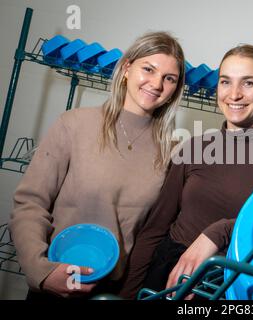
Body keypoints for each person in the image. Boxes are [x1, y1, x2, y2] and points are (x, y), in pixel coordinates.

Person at [118, 44, 253, 299]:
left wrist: (221, 231)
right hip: (169, 276)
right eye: (225, 82)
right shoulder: (195, 147)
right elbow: (155, 229)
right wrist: (129, 294)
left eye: (248, 83)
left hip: (235, 281)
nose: (234, 94)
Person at [8, 31, 186, 299]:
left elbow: (152, 233)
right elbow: (30, 204)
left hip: (114, 291)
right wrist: (41, 271)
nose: (156, 84)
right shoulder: (74, 124)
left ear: (175, 89)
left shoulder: (170, 152)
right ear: (127, 68)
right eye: (148, 69)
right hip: (57, 281)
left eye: (169, 78)